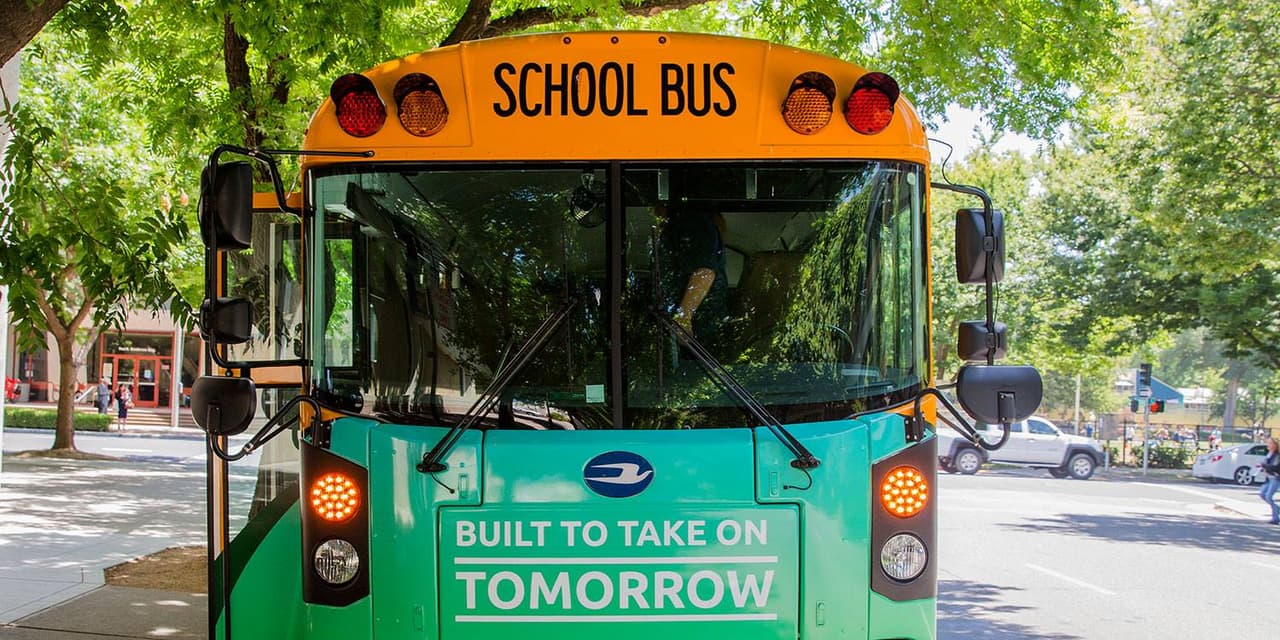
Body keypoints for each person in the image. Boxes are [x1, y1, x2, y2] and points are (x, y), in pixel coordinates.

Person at [657, 204, 728, 339]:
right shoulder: (681, 225)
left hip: (696, 334)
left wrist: (683, 318)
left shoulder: (692, 222)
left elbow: (704, 272)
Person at [1259, 437, 1280, 525]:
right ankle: (1277, 509)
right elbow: (1266, 464)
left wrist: (1264, 465)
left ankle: (1275, 519)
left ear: (1275, 445)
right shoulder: (1269, 454)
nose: (1268, 444)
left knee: (1268, 496)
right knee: (1262, 494)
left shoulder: (1277, 455)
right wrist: (1262, 467)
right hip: (1269, 478)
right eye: (1268, 443)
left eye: (1270, 443)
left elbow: (1275, 467)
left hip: (1275, 478)